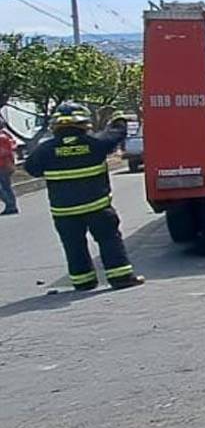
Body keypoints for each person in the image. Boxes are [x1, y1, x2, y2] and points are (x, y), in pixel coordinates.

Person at [23, 103, 143, 290]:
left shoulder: (45, 150)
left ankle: (83, 282)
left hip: (64, 212)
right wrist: (119, 120)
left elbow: (32, 169)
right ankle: (121, 278)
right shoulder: (95, 143)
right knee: (109, 240)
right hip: (98, 208)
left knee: (73, 246)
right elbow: (115, 135)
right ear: (84, 123)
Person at [0, 126, 18, 216]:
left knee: (5, 187)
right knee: (6, 187)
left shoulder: (2, 138)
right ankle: (11, 205)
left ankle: (11, 205)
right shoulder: (5, 136)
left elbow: (3, 152)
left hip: (3, 166)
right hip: (5, 165)